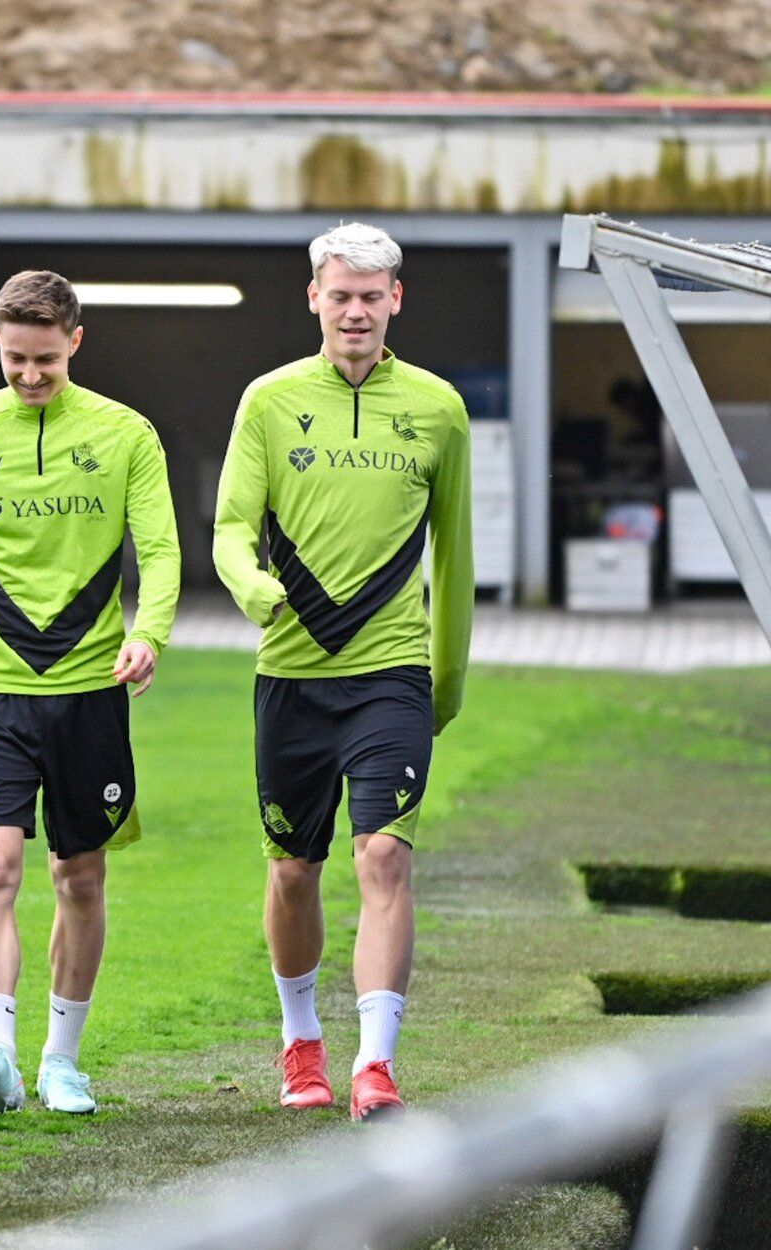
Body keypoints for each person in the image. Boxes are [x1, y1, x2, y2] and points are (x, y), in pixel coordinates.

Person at [212, 222, 473, 1121]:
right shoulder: (270, 401)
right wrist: (253, 590)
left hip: (392, 671)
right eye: (340, 294)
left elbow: (458, 555)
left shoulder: (438, 408)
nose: (355, 310)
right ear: (313, 297)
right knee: (293, 869)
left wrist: (446, 685)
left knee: (385, 855)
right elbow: (231, 528)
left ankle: (375, 1064)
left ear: (396, 299)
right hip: (290, 671)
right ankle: (301, 1046)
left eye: (372, 295)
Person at [0, 270, 179, 1115]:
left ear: (76, 345)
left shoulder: (127, 435)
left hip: (89, 693)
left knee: (80, 876)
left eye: (47, 361)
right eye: (17, 359)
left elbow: (161, 551)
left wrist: (147, 633)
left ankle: (63, 1059)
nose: (30, 376)